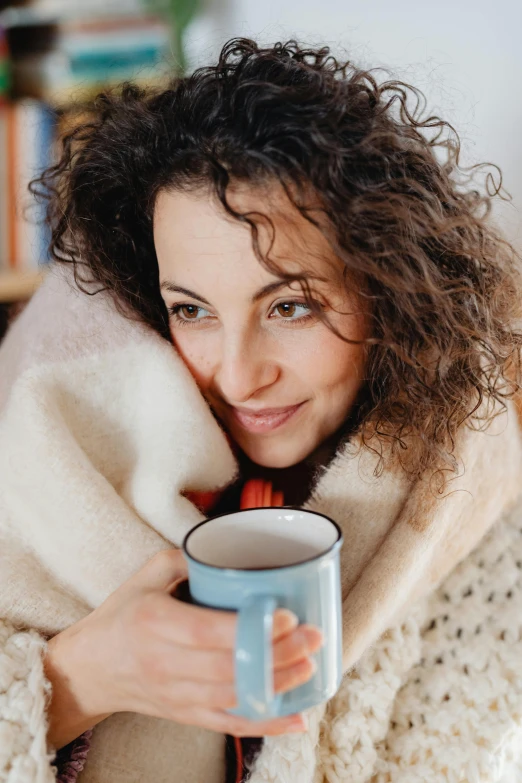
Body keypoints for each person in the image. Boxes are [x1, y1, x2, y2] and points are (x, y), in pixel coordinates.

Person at [1, 37, 522, 783]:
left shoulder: (482, 524)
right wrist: (79, 679)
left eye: (290, 305)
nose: (240, 375)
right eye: (192, 309)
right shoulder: (56, 457)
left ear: (390, 293)